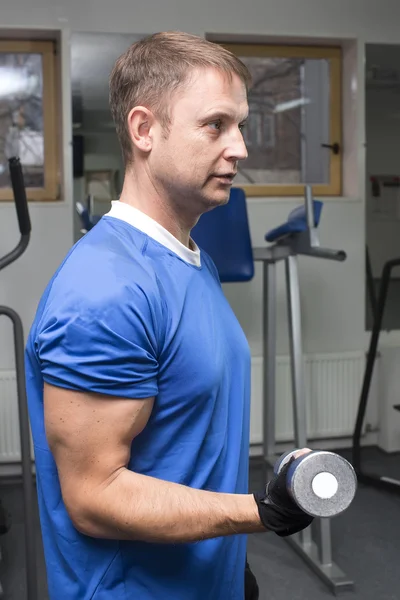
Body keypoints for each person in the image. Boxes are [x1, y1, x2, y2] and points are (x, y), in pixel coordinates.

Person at [25, 31, 313, 600]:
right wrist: (262, 512)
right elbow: (94, 497)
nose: (240, 149)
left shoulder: (187, 257)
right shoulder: (104, 291)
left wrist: (228, 561)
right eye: (215, 125)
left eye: (242, 126)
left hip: (205, 576)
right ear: (144, 130)